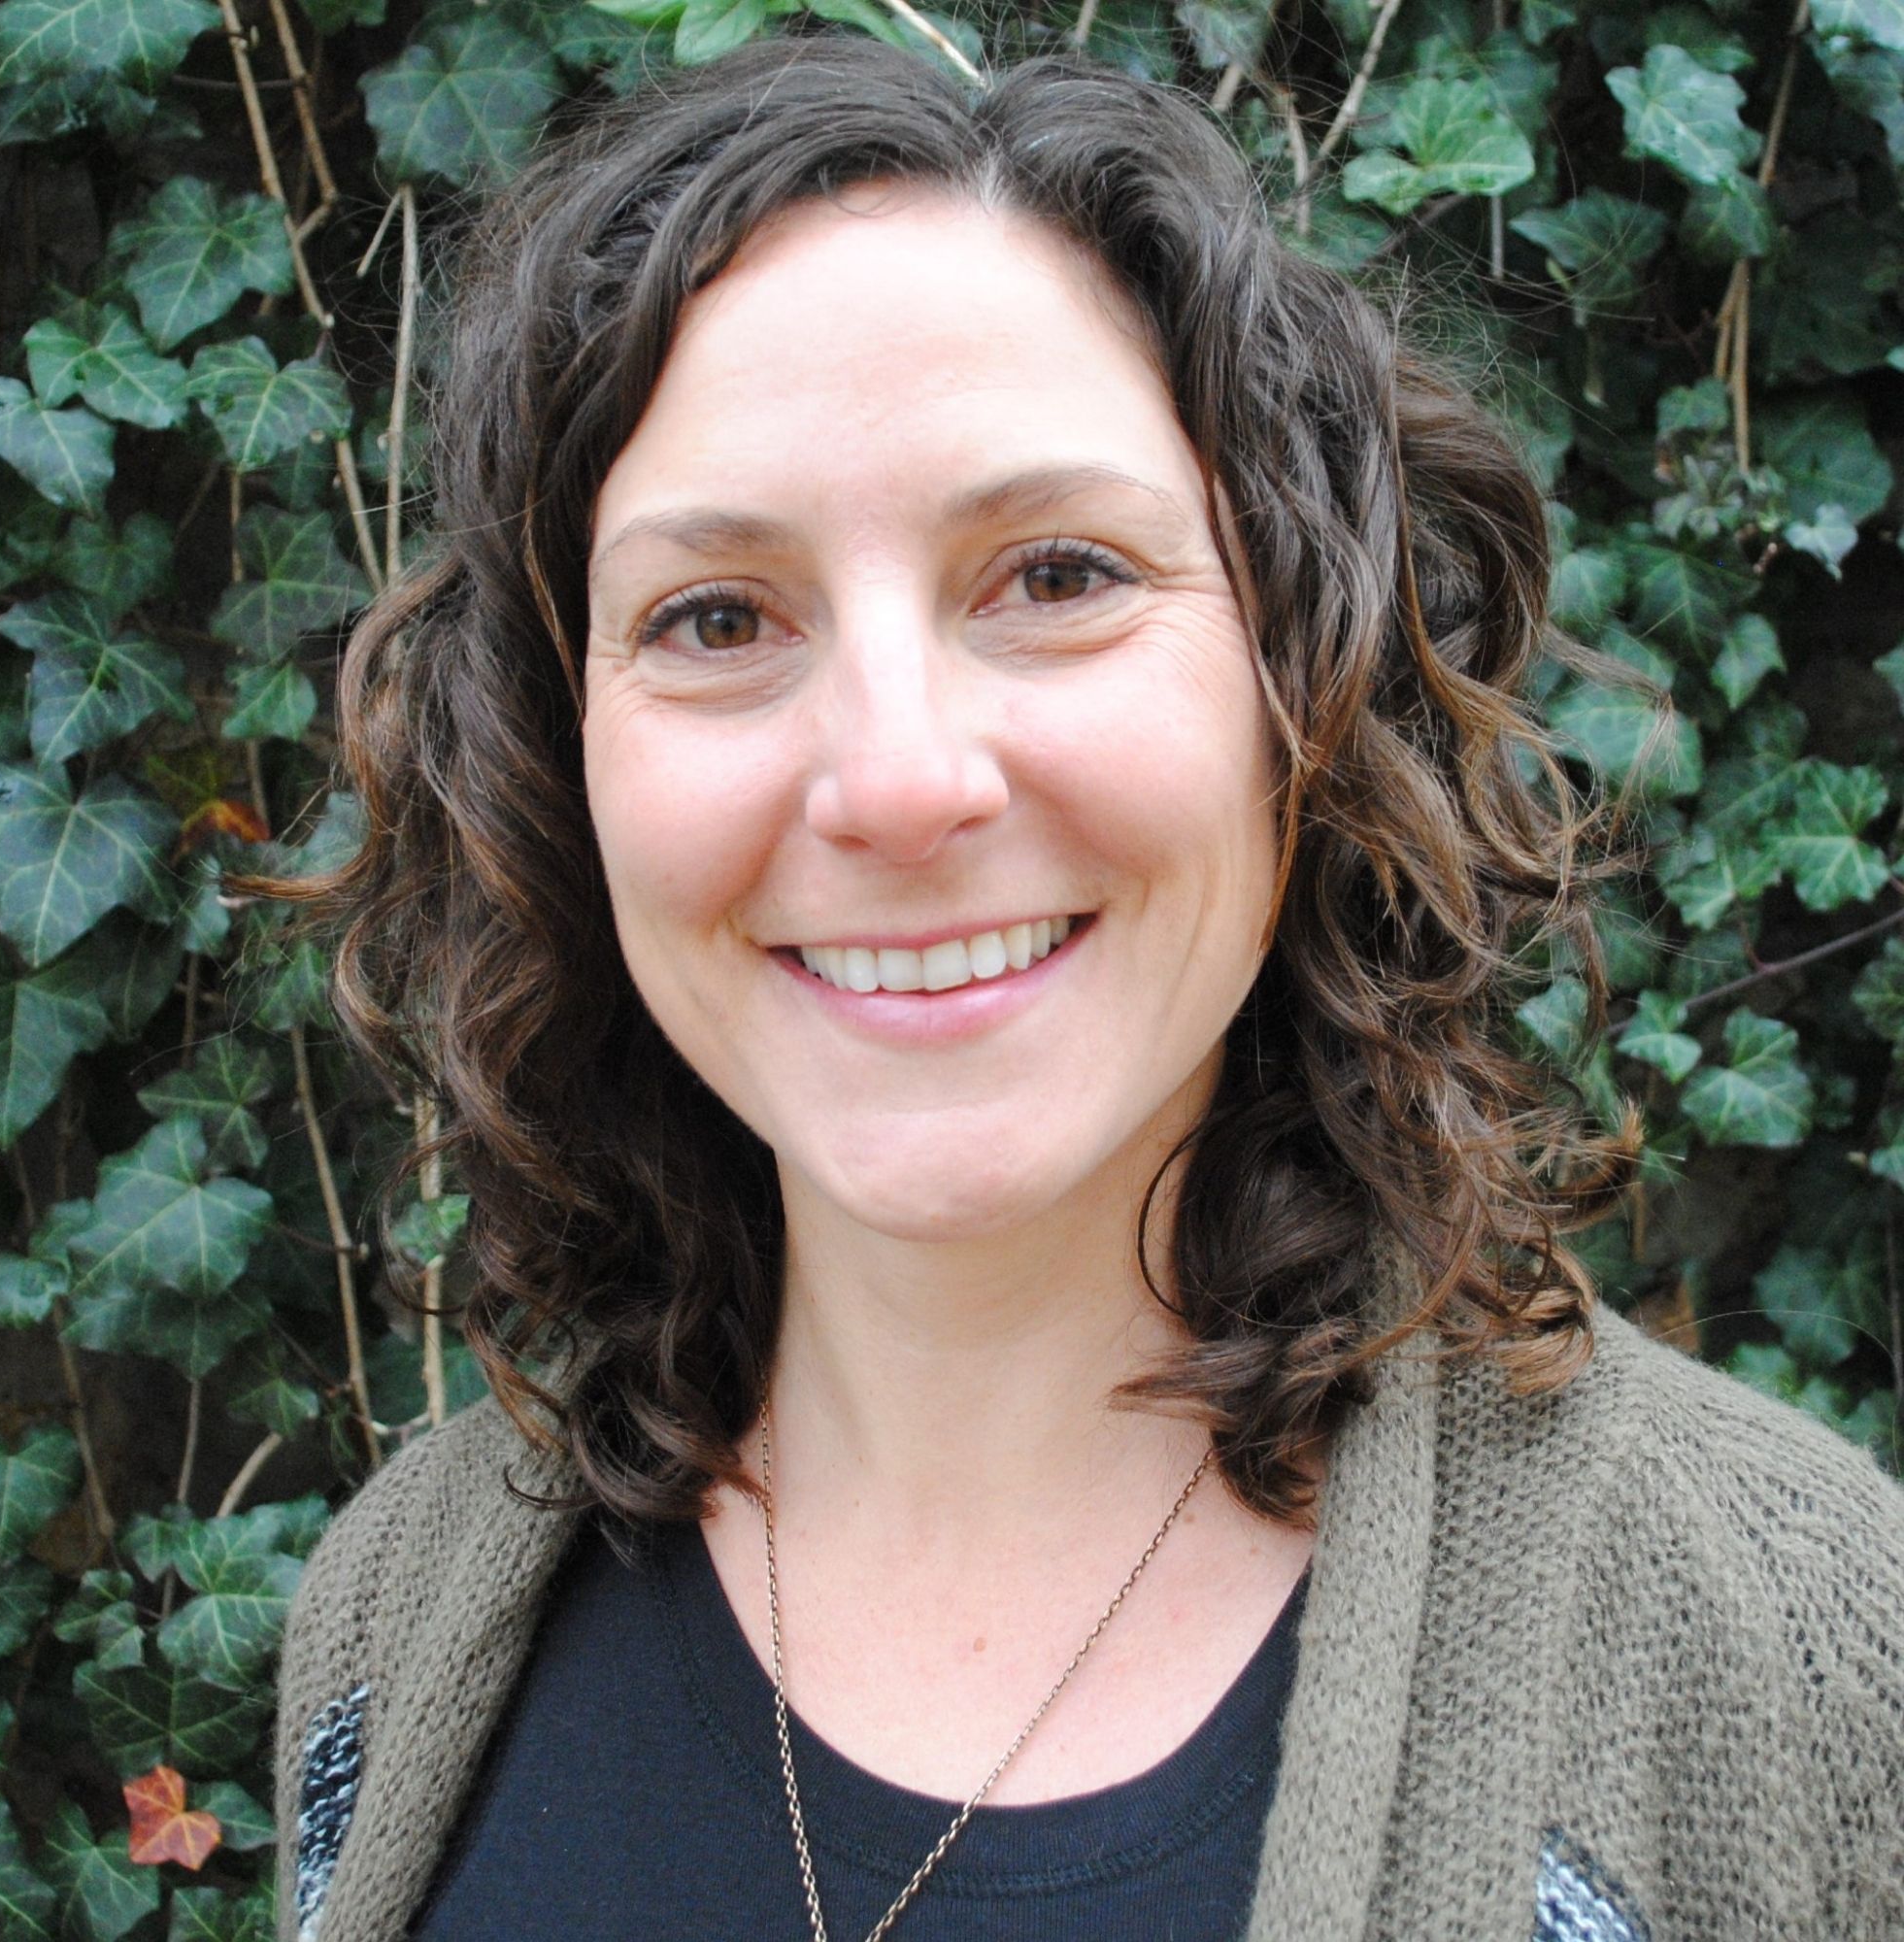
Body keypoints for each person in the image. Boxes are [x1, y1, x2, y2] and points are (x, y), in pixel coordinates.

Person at [270, 35, 1904, 1942]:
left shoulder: (1788, 1642)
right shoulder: (393, 1621)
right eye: (715, 618)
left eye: (1052, 572)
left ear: (1307, 681)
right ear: (565, 764)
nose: (894, 779)